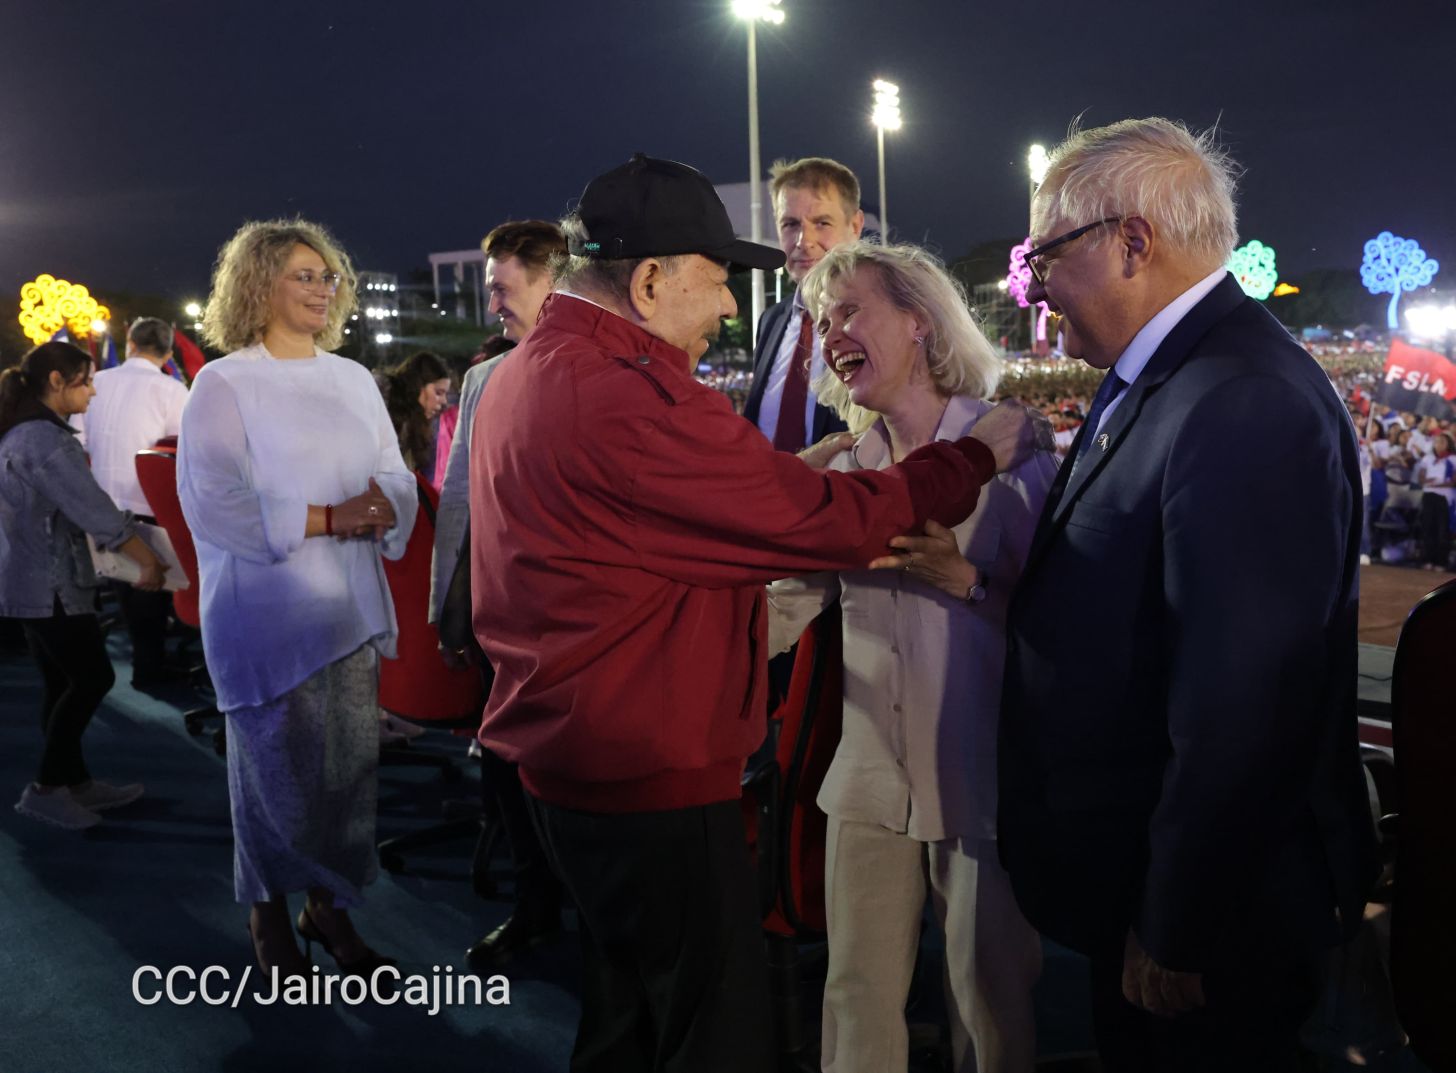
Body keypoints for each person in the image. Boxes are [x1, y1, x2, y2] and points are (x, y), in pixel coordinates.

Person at [469, 153, 1043, 1073]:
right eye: (718, 281)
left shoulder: (530, 372)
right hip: (652, 767)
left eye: (847, 310)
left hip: (588, 759)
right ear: (650, 280)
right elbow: (826, 538)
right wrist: (967, 461)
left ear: (921, 323)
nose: (735, 308)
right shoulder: (624, 395)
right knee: (716, 1034)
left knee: (631, 1017)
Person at [997, 118, 1378, 1072]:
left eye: (1045, 253)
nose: (1032, 281)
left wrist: (1178, 918)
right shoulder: (1168, 375)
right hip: (1141, 880)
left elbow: (1240, 706)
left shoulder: (1239, 395)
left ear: (1133, 242)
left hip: (1209, 917)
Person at [767, 242, 1053, 1073]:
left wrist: (966, 580)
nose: (830, 333)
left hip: (983, 781)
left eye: (849, 310)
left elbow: (1069, 630)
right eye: (822, 320)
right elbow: (781, 607)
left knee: (990, 1002)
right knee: (854, 998)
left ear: (920, 321)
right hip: (865, 779)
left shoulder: (1013, 458)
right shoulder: (847, 468)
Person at [178, 217, 416, 979]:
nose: (323, 288)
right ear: (257, 285)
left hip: (346, 610)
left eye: (329, 275)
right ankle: (267, 912)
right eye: (303, 275)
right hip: (265, 617)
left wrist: (388, 502)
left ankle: (329, 906)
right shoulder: (224, 382)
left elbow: (396, 469)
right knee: (273, 776)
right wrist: (328, 517)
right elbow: (211, 500)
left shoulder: (350, 378)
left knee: (347, 776)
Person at [430, 219, 568, 971]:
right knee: (507, 771)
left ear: (554, 279)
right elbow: (458, 502)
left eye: (502, 288)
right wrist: (449, 605)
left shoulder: (604, 371)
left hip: (575, 622)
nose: (493, 307)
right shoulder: (484, 379)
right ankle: (535, 903)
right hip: (498, 620)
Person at [0, 341, 164, 829]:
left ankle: (74, 781)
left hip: (25, 577)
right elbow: (95, 512)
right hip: (49, 582)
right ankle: (49, 788)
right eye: (85, 381)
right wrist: (148, 563)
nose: (93, 392)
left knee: (62, 681)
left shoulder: (20, 433)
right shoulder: (44, 441)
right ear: (57, 381)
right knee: (94, 678)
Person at [79, 316, 190, 688]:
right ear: (168, 353)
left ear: (129, 343)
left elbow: (77, 441)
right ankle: (149, 670)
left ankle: (144, 665)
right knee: (150, 589)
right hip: (147, 501)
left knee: (123, 586)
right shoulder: (172, 391)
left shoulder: (96, 383)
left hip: (97, 500)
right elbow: (181, 450)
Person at [743, 156, 861, 453]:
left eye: (822, 223)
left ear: (855, 225)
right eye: (790, 224)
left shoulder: (878, 320)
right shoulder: (770, 321)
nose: (802, 241)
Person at [379, 349, 451, 484]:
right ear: (418, 386)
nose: (444, 401)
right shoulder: (381, 412)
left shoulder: (423, 426)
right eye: (438, 392)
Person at [1414, 431, 1455, 570]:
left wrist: (1437, 484)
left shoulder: (1453, 459)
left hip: (1444, 497)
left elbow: (1454, 481)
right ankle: (1428, 559)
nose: (1438, 444)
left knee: (1442, 528)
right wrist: (1426, 481)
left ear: (1449, 444)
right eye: (1437, 441)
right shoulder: (1428, 458)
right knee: (1428, 527)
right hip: (1428, 495)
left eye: (1442, 442)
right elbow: (1421, 477)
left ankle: (1441, 561)